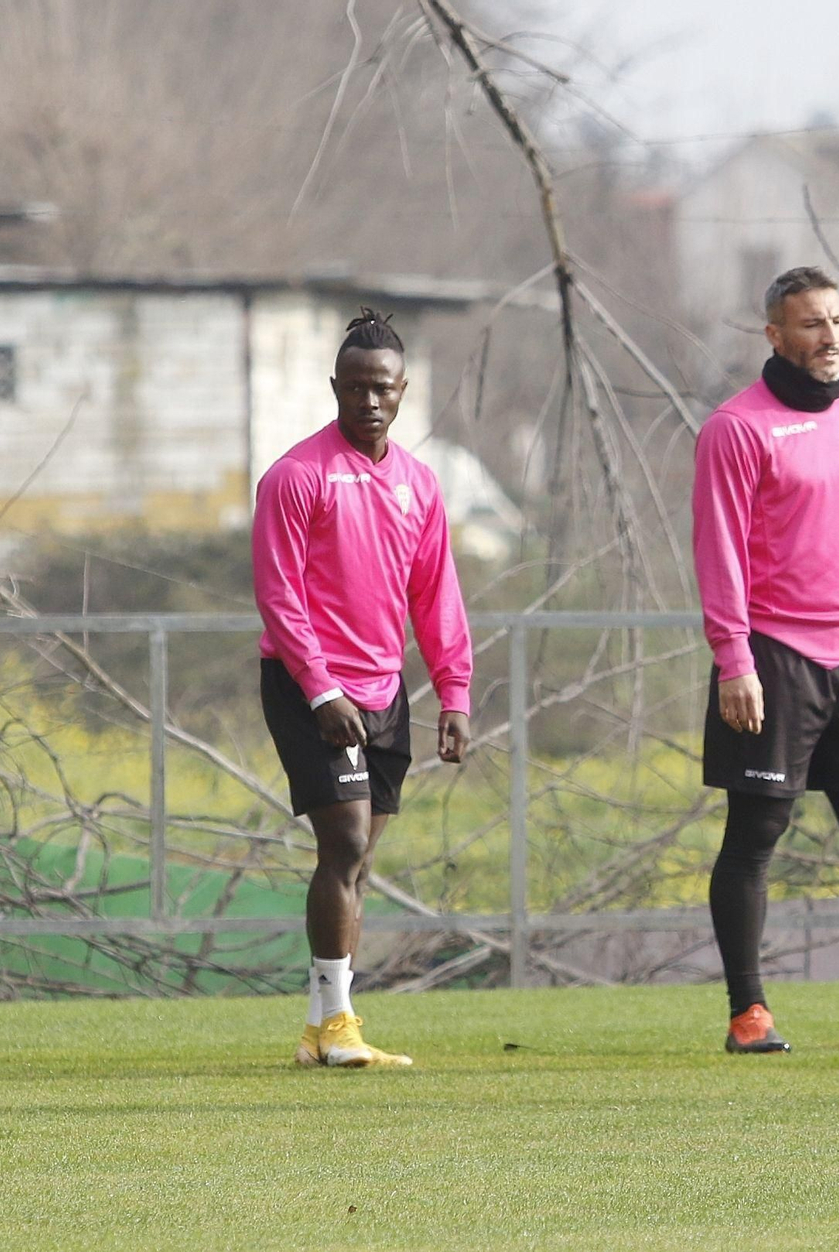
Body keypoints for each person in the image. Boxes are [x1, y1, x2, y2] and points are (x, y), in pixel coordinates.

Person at [253, 309, 472, 1068]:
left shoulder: (418, 484)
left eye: (383, 388)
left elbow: (437, 596)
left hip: (384, 692)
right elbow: (279, 595)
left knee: (354, 862)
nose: (369, 400)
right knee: (344, 840)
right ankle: (342, 1022)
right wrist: (320, 691)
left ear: (403, 389)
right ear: (335, 387)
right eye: (355, 387)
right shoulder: (296, 477)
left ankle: (320, 1030)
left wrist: (454, 694)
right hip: (309, 688)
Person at [692, 266, 839, 1054]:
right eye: (812, 324)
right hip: (774, 657)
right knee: (757, 832)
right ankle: (748, 1012)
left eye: (837, 320)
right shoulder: (736, 427)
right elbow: (718, 549)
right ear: (776, 336)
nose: (829, 337)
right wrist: (733, 659)